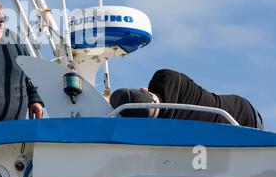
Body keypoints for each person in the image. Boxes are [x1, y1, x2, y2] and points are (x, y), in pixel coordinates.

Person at [109, 69, 264, 129]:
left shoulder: (163, 130)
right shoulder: (167, 77)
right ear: (144, 90)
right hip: (240, 107)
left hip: (244, 122)